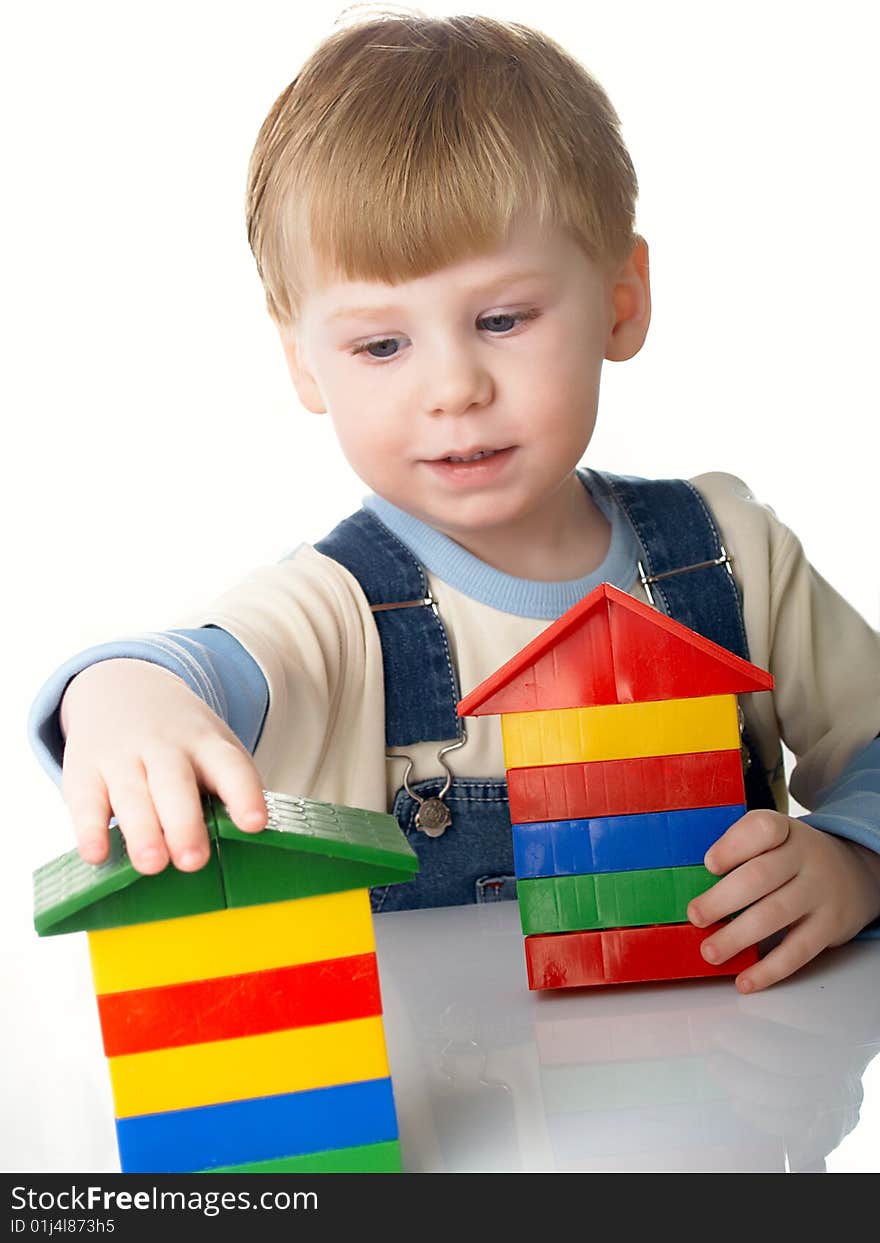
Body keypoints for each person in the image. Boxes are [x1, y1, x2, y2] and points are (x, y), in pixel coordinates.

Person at [27, 11, 880, 995]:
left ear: (620, 298)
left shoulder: (730, 553)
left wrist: (853, 861)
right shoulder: (335, 610)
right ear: (303, 363)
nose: (453, 386)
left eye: (502, 318)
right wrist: (119, 700)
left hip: (739, 1110)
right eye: (381, 346)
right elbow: (193, 667)